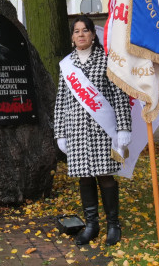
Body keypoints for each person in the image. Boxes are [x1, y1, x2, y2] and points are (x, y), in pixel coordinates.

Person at [53, 16, 131, 246]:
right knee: (85, 178)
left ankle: (113, 225)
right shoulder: (67, 65)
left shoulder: (107, 61)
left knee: (106, 177)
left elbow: (119, 96)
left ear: (93, 35)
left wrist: (124, 127)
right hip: (76, 131)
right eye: (76, 31)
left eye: (85, 30)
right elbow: (61, 101)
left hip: (102, 132)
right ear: (72, 37)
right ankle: (91, 225)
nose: (80, 35)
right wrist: (60, 132)